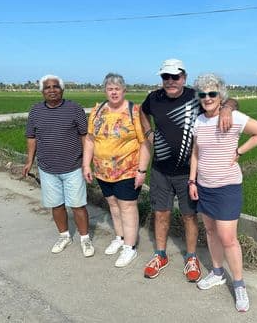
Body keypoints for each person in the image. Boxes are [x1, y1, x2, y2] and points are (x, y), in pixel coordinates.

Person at [140, 58, 238, 281]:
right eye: (166, 77)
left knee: (189, 216)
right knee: (161, 214)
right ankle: (160, 255)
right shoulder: (153, 98)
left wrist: (227, 110)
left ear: (184, 77)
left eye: (176, 76)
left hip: (189, 173)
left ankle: (191, 257)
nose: (171, 81)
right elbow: (142, 112)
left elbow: (230, 100)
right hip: (161, 171)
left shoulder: (196, 95)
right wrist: (148, 133)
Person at [188, 73, 257, 312]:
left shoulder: (233, 117)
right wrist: (192, 181)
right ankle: (216, 272)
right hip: (204, 186)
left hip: (227, 187)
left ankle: (239, 284)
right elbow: (196, 153)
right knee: (211, 232)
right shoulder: (199, 121)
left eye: (212, 94)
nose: (207, 98)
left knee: (228, 238)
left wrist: (240, 152)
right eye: (202, 95)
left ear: (220, 95)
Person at [82, 73, 150, 267]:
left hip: (127, 170)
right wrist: (86, 165)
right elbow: (90, 139)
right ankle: (120, 238)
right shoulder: (97, 110)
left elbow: (144, 143)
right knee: (113, 205)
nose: (113, 92)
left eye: (117, 89)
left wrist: (142, 171)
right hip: (103, 171)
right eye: (110, 89)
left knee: (127, 207)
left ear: (123, 91)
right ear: (105, 91)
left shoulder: (133, 111)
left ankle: (130, 248)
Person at [22, 74, 94, 257]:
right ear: (42, 91)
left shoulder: (74, 108)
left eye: (55, 87)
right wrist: (29, 161)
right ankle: (64, 236)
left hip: (73, 166)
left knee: (78, 205)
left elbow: (84, 136)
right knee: (56, 205)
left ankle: (85, 239)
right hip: (47, 168)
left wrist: (87, 162)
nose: (52, 90)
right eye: (47, 87)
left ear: (62, 90)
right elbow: (31, 137)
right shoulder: (35, 111)